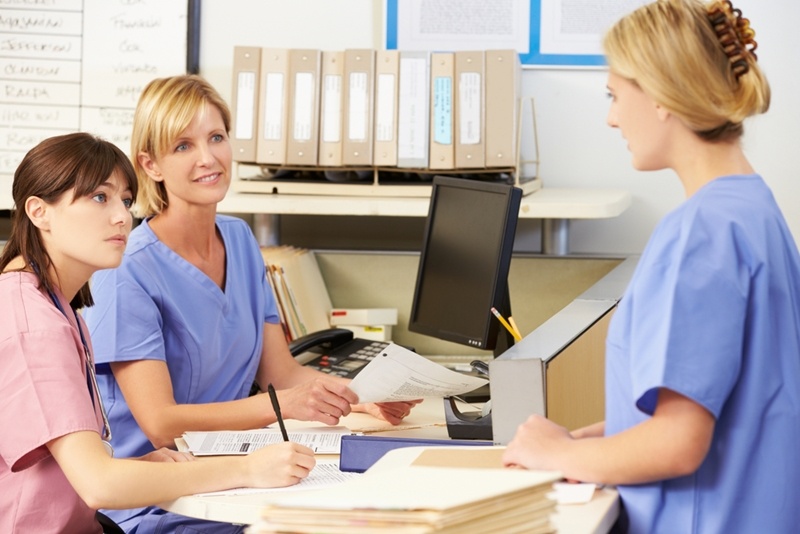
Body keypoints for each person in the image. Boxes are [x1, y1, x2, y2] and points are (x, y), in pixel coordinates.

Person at [502, 1, 799, 532]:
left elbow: (678, 443)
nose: (612, 117)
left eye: (615, 95)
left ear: (662, 95)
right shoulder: (755, 211)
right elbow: (723, 410)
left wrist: (558, 456)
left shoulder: (698, 233)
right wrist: (582, 441)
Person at [82, 74, 419, 532]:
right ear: (151, 163)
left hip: (238, 479)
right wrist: (283, 406)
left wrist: (360, 400)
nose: (208, 158)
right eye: (183, 146)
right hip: (164, 499)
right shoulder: (127, 271)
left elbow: (282, 375)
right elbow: (161, 424)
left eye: (216, 137)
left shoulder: (240, 240)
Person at [0, 132, 316, 534]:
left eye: (126, 201)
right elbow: (98, 484)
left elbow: (68, 468)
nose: (121, 216)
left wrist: (134, 467)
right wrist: (248, 469)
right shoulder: (33, 325)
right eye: (100, 197)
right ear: (38, 211)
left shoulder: (55, 303)